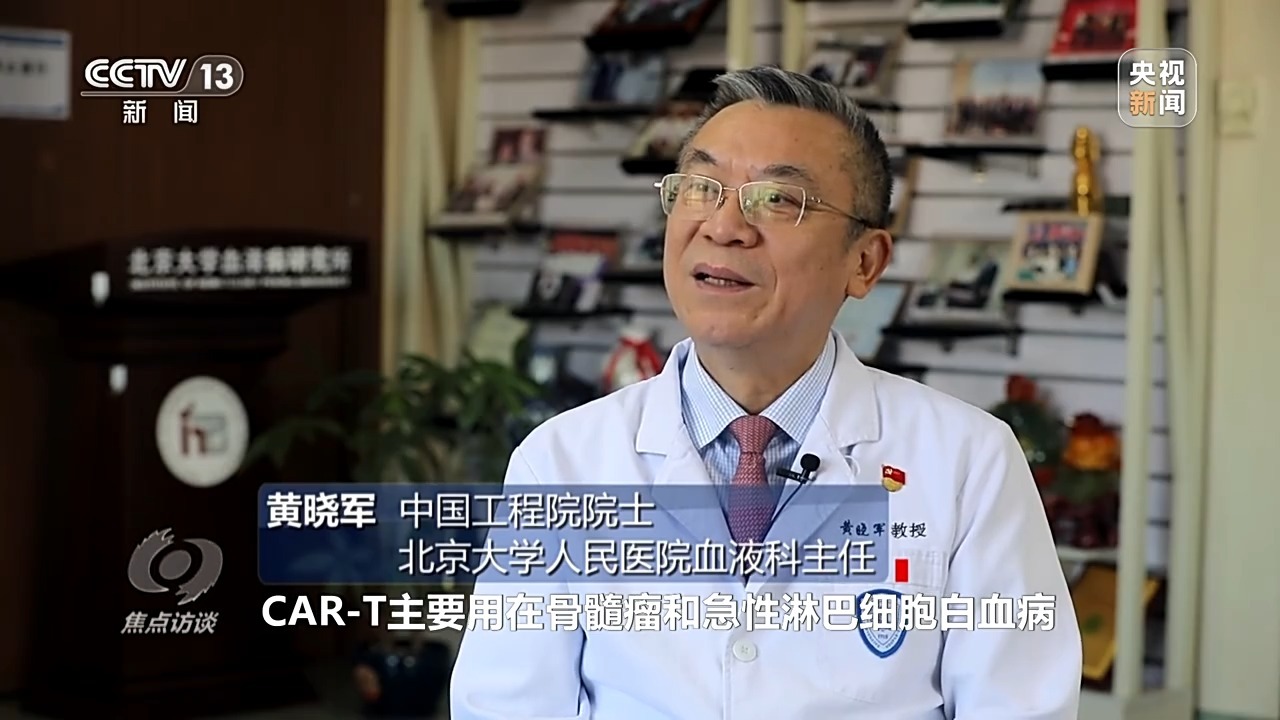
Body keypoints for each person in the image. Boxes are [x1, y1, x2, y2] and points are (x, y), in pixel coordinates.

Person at [451, 66, 1081, 719]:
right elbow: (505, 707)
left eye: (778, 199)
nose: (724, 227)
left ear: (864, 262)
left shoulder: (969, 462)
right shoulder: (562, 462)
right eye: (701, 188)